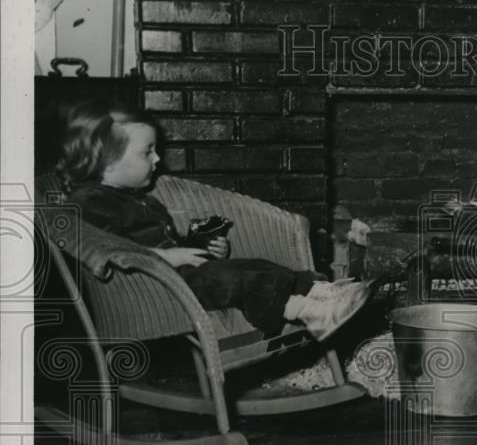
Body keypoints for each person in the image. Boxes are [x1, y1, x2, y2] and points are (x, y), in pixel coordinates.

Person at [57, 100, 369, 342]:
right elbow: (104, 248)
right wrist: (166, 256)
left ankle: (321, 291)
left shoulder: (139, 198)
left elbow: (164, 241)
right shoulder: (89, 203)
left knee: (256, 266)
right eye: (147, 152)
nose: (156, 160)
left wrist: (199, 247)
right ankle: (306, 312)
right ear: (107, 163)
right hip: (155, 294)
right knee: (240, 277)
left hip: (178, 278)